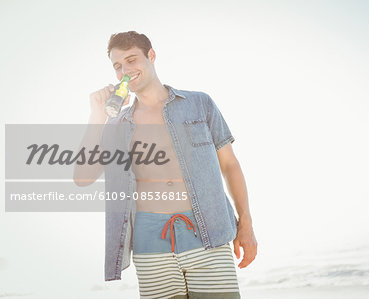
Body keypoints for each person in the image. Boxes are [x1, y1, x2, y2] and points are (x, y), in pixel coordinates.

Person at [74, 31, 257, 299]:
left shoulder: (199, 103)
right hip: (150, 243)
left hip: (208, 233)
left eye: (131, 60)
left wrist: (246, 225)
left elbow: (230, 165)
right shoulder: (115, 126)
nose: (125, 70)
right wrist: (97, 117)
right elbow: (83, 177)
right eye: (117, 66)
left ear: (151, 56)